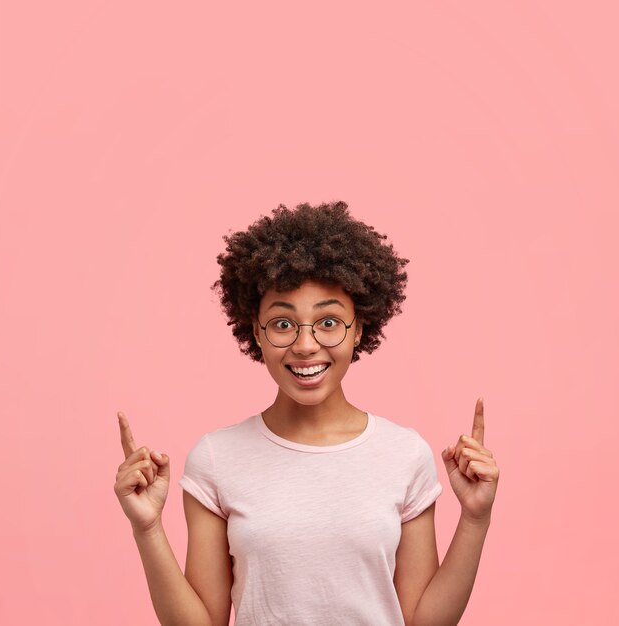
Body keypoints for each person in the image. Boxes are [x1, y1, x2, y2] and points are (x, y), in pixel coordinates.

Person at [114, 201, 499, 626]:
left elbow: (425, 622)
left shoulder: (405, 454)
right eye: (283, 324)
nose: (305, 345)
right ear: (256, 332)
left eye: (329, 322)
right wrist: (148, 530)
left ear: (360, 328)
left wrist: (475, 519)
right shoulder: (216, 458)